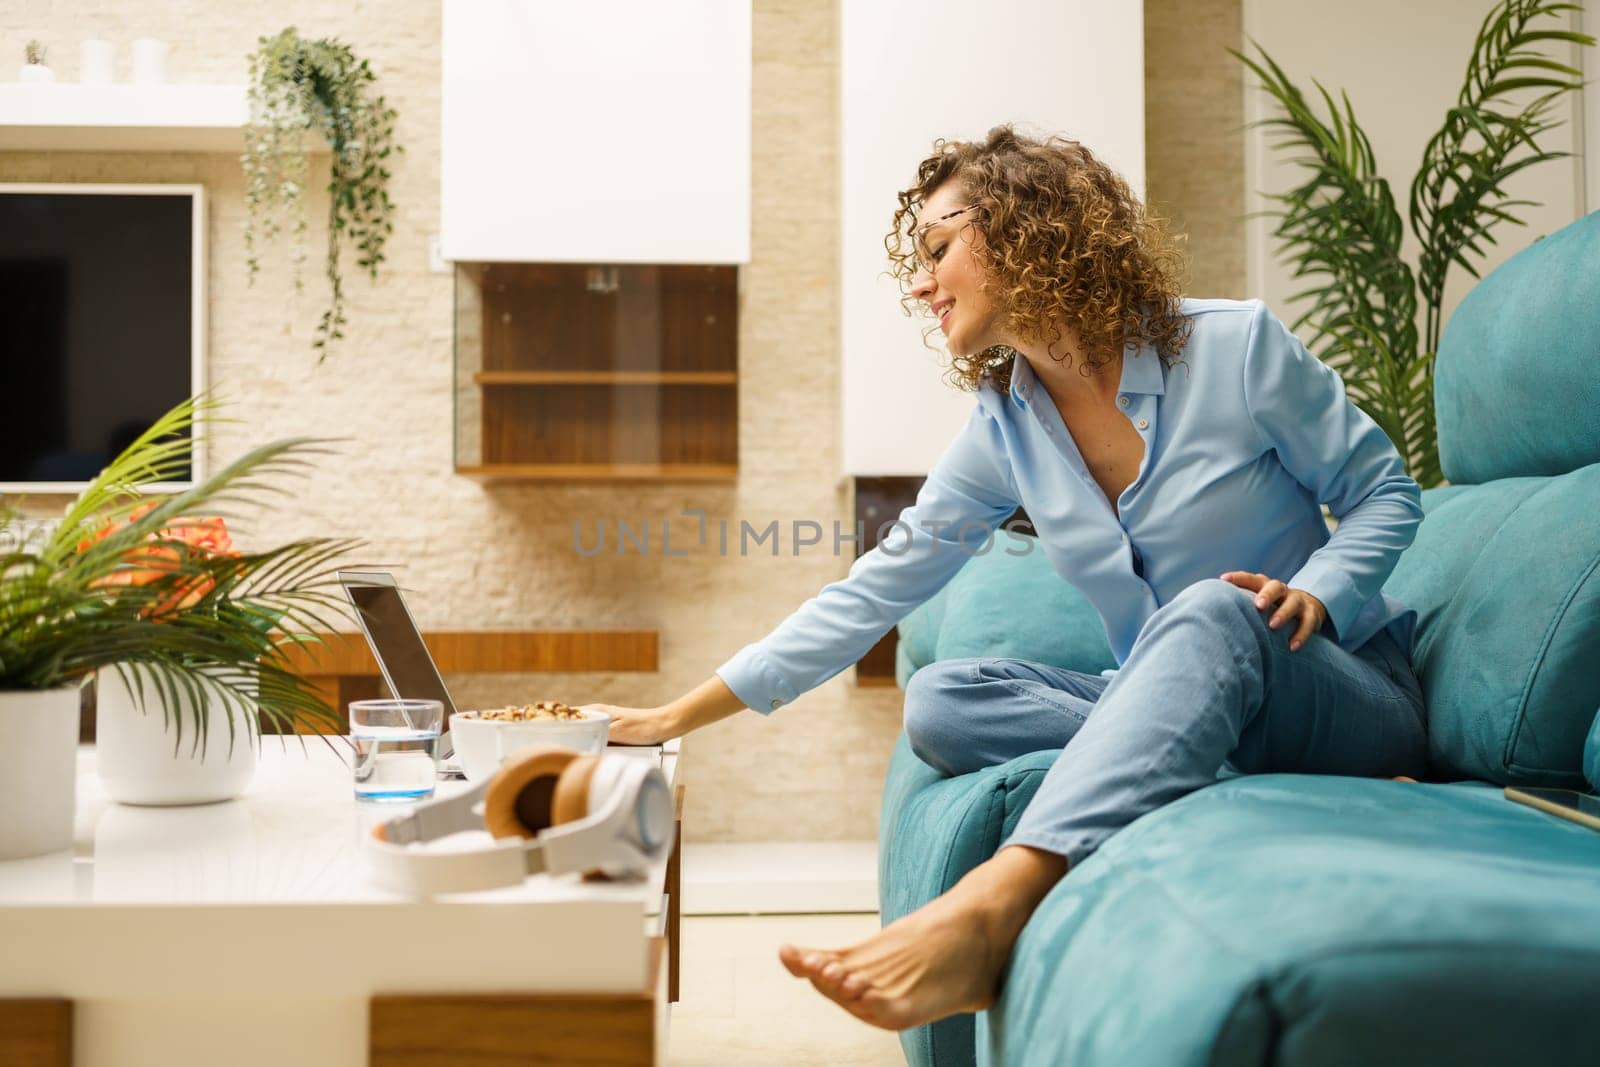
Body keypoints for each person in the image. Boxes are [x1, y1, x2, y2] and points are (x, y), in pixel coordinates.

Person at [585, 125, 1428, 1032]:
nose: (918, 282)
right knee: (944, 702)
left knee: (1216, 609)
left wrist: (1322, 591)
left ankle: (997, 905)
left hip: (1335, 688)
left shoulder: (1236, 349)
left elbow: (1386, 492)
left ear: (1027, 230)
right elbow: (879, 584)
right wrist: (678, 717)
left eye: (939, 248)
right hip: (1176, 689)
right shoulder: (1006, 424)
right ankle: (1187, 747)